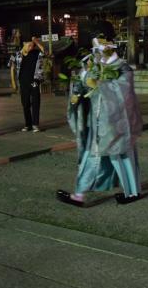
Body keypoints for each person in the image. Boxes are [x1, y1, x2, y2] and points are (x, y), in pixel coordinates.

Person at [57, 37, 143, 206]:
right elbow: (82, 83)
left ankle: (132, 192)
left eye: (99, 49)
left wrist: (98, 84)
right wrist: (76, 93)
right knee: (91, 158)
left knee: (121, 158)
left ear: (109, 47)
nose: (96, 53)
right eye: (95, 50)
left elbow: (124, 94)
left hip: (117, 124)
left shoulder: (123, 68)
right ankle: (79, 194)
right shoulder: (94, 66)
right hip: (96, 123)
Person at [9, 37, 46, 132]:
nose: (31, 47)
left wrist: (36, 42)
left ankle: (35, 125)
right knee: (25, 103)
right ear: (24, 43)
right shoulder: (15, 55)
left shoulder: (36, 53)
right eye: (29, 45)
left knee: (36, 102)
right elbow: (12, 68)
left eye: (32, 46)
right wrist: (13, 83)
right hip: (23, 82)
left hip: (34, 81)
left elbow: (45, 52)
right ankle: (28, 124)